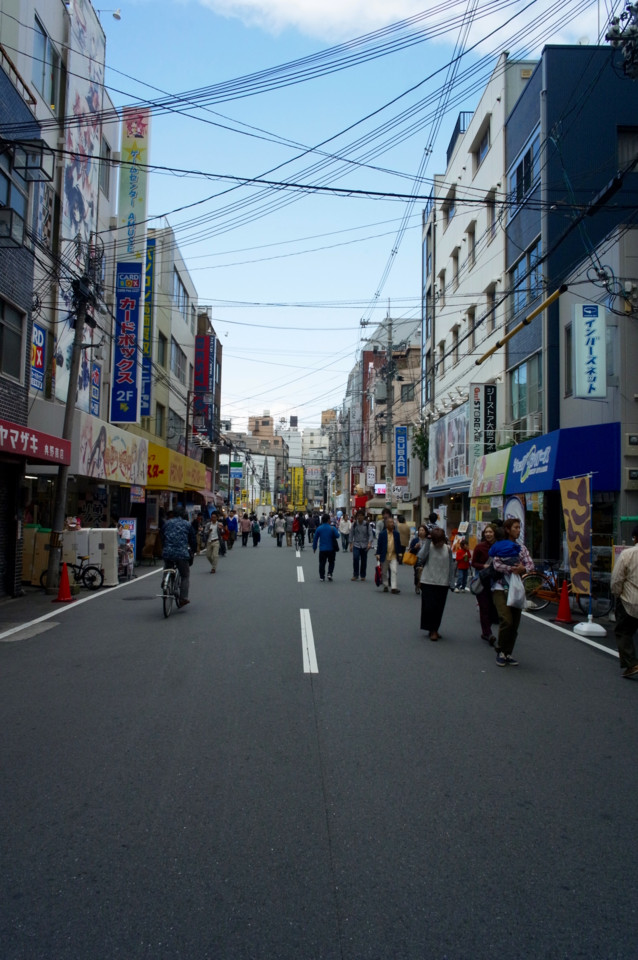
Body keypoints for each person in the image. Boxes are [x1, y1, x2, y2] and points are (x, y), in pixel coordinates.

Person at [489, 518, 535, 666]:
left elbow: (530, 565)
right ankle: (501, 650)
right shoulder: (500, 546)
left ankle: (508, 653)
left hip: (516, 588)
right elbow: (496, 564)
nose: (518, 530)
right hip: (500, 587)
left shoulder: (521, 548)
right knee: (506, 620)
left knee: (515, 623)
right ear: (508, 529)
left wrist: (523, 569)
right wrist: (511, 569)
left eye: (519, 528)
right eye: (515, 527)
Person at [417, 527, 456, 640]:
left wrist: (451, 582)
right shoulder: (429, 546)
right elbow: (421, 557)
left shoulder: (448, 549)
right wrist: (429, 541)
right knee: (429, 607)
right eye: (436, 541)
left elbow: (451, 566)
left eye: (440, 541)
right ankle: (431, 629)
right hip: (428, 581)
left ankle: (435, 629)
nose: (439, 543)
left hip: (442, 582)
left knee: (439, 608)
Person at [610, 525, 638, 678]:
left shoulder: (628, 554)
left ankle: (631, 664)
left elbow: (617, 579)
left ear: (635, 537)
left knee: (623, 631)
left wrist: (616, 594)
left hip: (630, 601)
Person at [161, 508, 197, 607]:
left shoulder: (167, 523)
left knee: (168, 566)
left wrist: (164, 547)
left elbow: (162, 537)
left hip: (167, 552)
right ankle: (183, 598)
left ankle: (165, 580)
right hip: (181, 553)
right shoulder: (187, 524)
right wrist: (193, 550)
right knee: (185, 575)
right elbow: (193, 540)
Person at [471, 523, 499, 644]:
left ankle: (487, 630)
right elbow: (473, 563)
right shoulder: (479, 547)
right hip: (482, 580)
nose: (488, 534)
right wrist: (483, 566)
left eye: (490, 532)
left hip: (496, 580)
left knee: (493, 607)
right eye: (486, 532)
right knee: (484, 607)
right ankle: (487, 633)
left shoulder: (500, 546)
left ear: (495, 533)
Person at [376, 516, 402, 594]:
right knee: (384, 572)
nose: (392, 524)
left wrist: (400, 553)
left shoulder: (396, 534)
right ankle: (385, 585)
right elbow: (379, 545)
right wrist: (378, 553)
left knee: (394, 571)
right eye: (390, 522)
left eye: (393, 523)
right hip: (385, 555)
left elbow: (398, 544)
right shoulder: (382, 534)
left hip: (393, 555)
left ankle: (394, 587)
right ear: (387, 524)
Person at [313, 513, 340, 582]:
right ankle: (329, 573)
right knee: (331, 562)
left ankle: (322, 577)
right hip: (331, 549)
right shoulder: (332, 528)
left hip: (322, 549)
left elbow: (315, 539)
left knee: (322, 563)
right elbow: (337, 536)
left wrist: (314, 547)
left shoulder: (319, 528)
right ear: (328, 520)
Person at [350, 510, 374, 581]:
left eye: (361, 515)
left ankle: (363, 575)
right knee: (356, 558)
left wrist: (369, 543)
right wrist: (351, 544)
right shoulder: (354, 524)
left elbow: (370, 534)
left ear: (363, 517)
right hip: (356, 544)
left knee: (364, 560)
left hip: (364, 545)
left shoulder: (367, 524)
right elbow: (351, 535)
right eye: (358, 516)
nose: (359, 517)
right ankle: (355, 574)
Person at [409, 524, 429, 593]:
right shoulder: (415, 540)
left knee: (425, 574)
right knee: (417, 573)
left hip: (426, 559)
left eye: (423, 530)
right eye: (420, 530)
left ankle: (422, 586)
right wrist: (415, 547)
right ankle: (417, 585)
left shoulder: (428, 541)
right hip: (417, 559)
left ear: (426, 532)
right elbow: (410, 551)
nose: (421, 532)